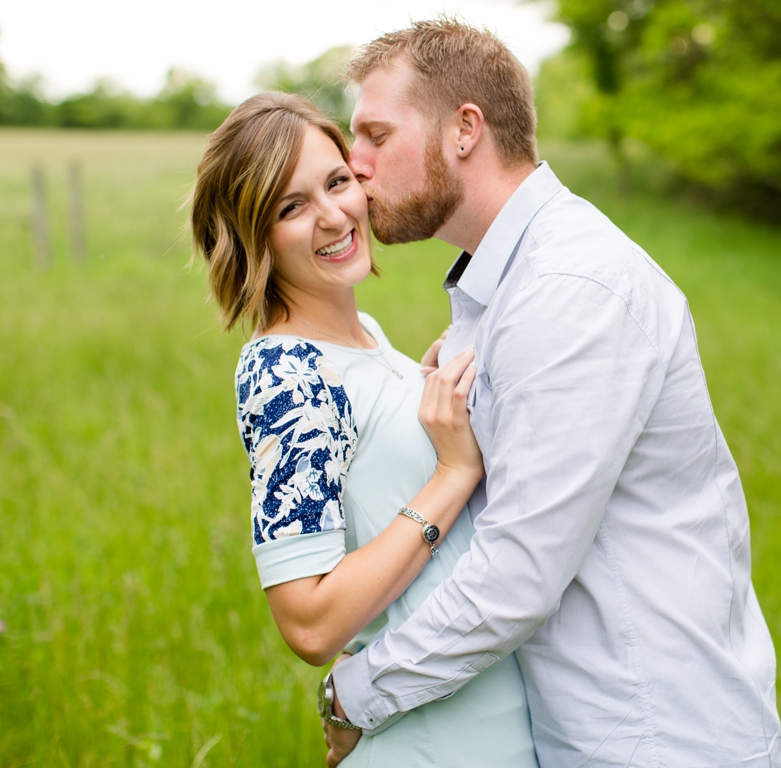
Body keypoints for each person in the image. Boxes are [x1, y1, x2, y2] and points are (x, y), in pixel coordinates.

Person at [325, 20, 781, 767]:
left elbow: (519, 571)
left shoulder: (571, 291)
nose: (356, 163)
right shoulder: (505, 285)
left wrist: (357, 694)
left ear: (465, 128)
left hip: (655, 738)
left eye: (376, 133)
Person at [190, 92, 538, 768]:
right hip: (433, 745)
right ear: (251, 234)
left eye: (337, 181)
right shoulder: (286, 372)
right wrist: (451, 475)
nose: (333, 215)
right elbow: (309, 620)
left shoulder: (364, 335)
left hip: (485, 722)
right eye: (290, 207)